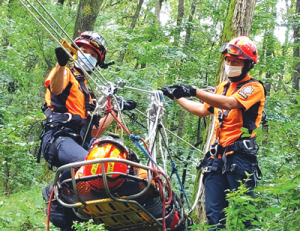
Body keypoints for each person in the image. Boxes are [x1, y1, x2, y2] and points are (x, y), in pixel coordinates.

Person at [161, 36, 265, 230]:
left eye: (236, 61)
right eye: (228, 60)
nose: (230, 64)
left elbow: (229, 104)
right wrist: (177, 97)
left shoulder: (254, 88)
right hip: (216, 158)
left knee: (246, 213)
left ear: (248, 64)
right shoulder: (222, 88)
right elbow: (201, 110)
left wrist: (194, 90)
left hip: (240, 157)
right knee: (213, 215)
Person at [39, 31, 136, 231]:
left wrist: (117, 108)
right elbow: (55, 89)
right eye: (83, 51)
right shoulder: (65, 73)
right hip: (59, 138)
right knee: (93, 166)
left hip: (79, 142)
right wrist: (61, 63)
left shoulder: (88, 94)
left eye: (92, 54)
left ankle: (73, 213)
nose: (87, 56)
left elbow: (95, 131)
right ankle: (53, 193)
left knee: (110, 164)